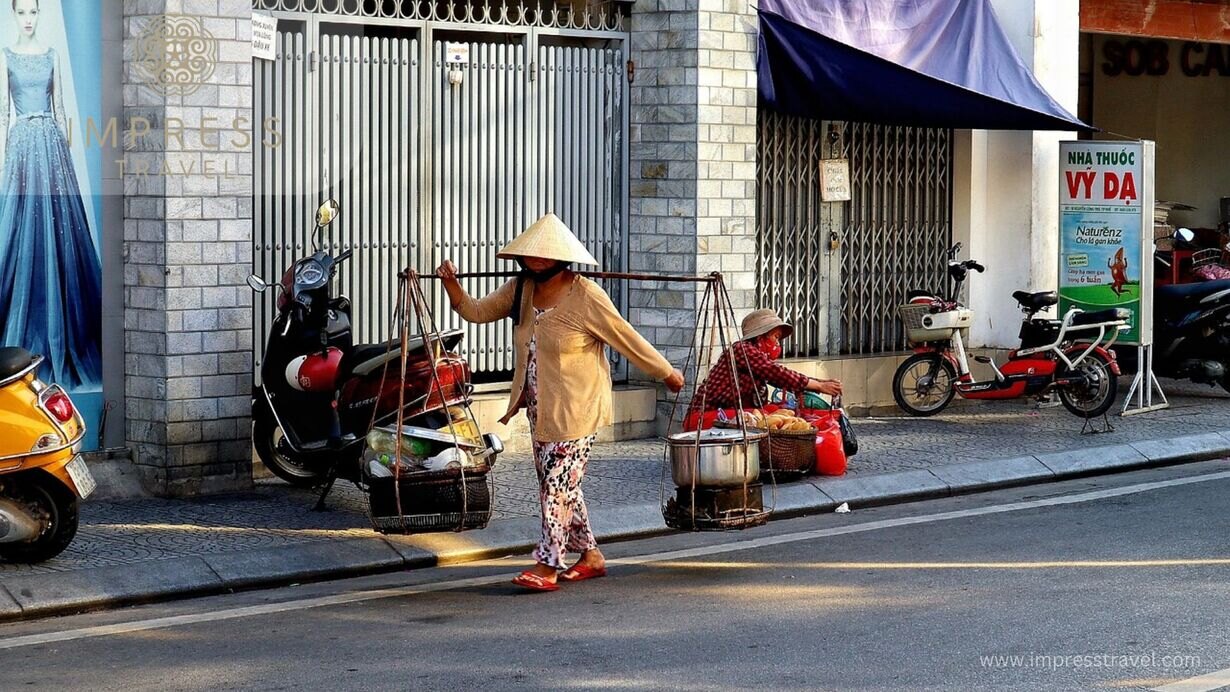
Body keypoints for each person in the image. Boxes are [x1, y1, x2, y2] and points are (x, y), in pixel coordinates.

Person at [437, 213, 684, 592]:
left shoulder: (586, 295)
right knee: (563, 486)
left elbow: (625, 337)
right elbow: (477, 311)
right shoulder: (521, 289)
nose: (537, 263)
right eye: (532, 256)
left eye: (545, 257)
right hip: (540, 409)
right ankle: (590, 556)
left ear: (561, 259)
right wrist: (452, 285)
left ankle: (548, 562)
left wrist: (666, 373)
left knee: (556, 487)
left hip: (579, 408)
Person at [0, 0, 102, 389]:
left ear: (40, 14)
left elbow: (59, 108)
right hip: (22, 147)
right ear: (14, 15)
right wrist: (5, 165)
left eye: (33, 11)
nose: (28, 18)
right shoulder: (5, 56)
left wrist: (66, 158)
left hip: (51, 148)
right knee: (19, 233)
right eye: (22, 12)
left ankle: (67, 332)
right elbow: (3, 113)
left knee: (62, 234)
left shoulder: (53, 54)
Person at [689, 309, 842, 428]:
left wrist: (821, 383)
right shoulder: (742, 350)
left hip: (729, 413)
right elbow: (777, 373)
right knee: (763, 416)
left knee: (777, 410)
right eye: (775, 337)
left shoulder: (757, 356)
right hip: (706, 416)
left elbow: (785, 380)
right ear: (760, 337)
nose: (777, 343)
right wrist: (820, 386)